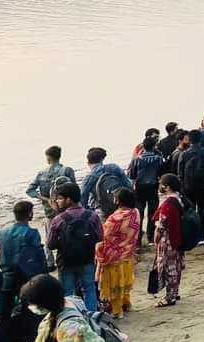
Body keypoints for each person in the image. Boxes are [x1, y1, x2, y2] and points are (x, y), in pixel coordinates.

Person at [0, 200, 46, 342]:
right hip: (25, 276)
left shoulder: (1, 233)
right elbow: (38, 256)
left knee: (4, 311)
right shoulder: (32, 233)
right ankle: (27, 341)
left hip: (6, 275)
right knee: (28, 309)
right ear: (29, 214)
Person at [46, 183, 103, 312]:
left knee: (67, 293)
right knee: (89, 289)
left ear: (69, 199)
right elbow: (100, 237)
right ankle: (92, 317)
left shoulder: (58, 220)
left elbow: (50, 244)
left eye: (60, 198)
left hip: (66, 262)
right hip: (87, 259)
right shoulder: (92, 216)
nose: (57, 201)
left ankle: (72, 318)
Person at [25, 146, 77, 270]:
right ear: (59, 156)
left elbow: (30, 190)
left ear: (48, 158)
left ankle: (50, 263)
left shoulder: (41, 173)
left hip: (49, 210)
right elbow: (74, 189)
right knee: (68, 235)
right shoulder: (67, 170)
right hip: (65, 209)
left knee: (49, 236)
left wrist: (45, 199)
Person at [95, 186, 139, 319]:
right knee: (125, 280)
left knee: (114, 284)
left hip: (114, 256)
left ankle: (117, 310)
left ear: (118, 201)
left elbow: (104, 235)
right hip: (128, 252)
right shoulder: (135, 212)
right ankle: (127, 303)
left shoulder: (114, 218)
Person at [151, 173, 185, 307]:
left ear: (167, 187)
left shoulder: (167, 204)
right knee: (176, 267)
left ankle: (170, 297)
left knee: (168, 268)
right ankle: (175, 291)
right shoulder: (179, 199)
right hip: (177, 238)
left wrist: (155, 239)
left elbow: (161, 225)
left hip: (167, 240)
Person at [128, 133, 164, 245]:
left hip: (140, 188)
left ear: (143, 146)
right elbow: (161, 173)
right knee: (152, 213)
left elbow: (132, 176)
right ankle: (150, 237)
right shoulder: (158, 159)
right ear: (154, 146)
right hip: (153, 187)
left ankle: (138, 240)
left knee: (139, 213)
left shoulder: (137, 160)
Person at [178, 128, 204, 245]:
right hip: (202, 186)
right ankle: (201, 236)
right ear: (200, 139)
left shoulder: (184, 154)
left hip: (188, 187)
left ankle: (192, 235)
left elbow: (180, 173)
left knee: (190, 211)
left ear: (189, 140)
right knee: (202, 210)